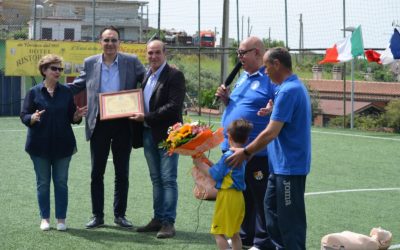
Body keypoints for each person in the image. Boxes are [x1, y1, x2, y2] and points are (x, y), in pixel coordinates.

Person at [227, 47, 312, 250]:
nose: (265, 71)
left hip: (290, 168)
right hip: (279, 167)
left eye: (266, 66)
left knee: (290, 221)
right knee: (271, 211)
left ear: (276, 64)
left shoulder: (290, 90)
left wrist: (246, 152)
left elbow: (271, 133)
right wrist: (274, 109)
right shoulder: (287, 88)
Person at [68, 26, 146, 229]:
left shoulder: (132, 61)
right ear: (100, 42)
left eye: (114, 40)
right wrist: (53, 87)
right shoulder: (90, 62)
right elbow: (78, 85)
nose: (110, 44)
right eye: (106, 40)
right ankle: (97, 216)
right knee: (97, 173)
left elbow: (148, 81)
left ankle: (120, 215)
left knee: (122, 172)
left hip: (124, 123)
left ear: (119, 43)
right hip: (99, 122)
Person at [215, 36, 276, 250]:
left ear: (257, 52)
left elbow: (279, 106)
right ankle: (245, 237)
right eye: (238, 53)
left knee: (260, 198)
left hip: (255, 152)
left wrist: (272, 108)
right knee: (241, 195)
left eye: (243, 52)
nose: (239, 57)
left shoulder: (270, 78)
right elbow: (239, 105)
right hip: (232, 149)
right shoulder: (243, 77)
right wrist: (226, 99)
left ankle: (262, 241)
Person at [20, 54, 87, 231]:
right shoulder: (33, 92)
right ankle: (45, 218)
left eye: (60, 69)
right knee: (43, 183)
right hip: (39, 146)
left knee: (61, 182)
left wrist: (77, 116)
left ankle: (61, 220)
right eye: (54, 68)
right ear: (44, 70)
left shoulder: (66, 92)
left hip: (63, 146)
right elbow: (24, 115)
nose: (58, 72)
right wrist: (32, 117)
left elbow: (72, 117)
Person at [129, 40, 186, 238]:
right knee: (156, 180)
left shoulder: (174, 75)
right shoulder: (147, 74)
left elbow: (173, 106)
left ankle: (168, 222)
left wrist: (147, 117)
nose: (153, 56)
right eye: (150, 53)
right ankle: (158, 218)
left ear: (165, 53)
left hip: (169, 135)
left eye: (157, 53)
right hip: (148, 134)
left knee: (168, 179)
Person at [195, 119, 253, 250]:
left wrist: (199, 163)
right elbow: (223, 171)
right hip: (238, 198)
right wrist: (207, 162)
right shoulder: (241, 154)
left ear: (229, 137)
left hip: (227, 198)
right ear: (247, 139)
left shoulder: (228, 155)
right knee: (234, 234)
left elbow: (214, 174)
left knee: (218, 233)